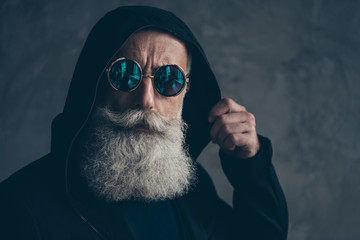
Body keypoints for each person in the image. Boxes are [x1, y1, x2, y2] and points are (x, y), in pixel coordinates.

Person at [0, 6, 288, 240]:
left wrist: (250, 166)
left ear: (186, 92)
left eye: (169, 80)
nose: (147, 100)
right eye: (126, 75)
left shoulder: (191, 191)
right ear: (97, 84)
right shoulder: (19, 206)